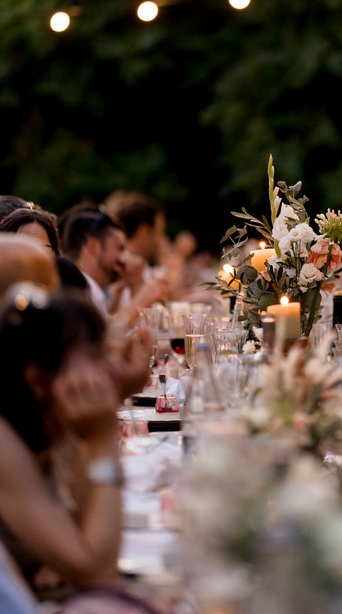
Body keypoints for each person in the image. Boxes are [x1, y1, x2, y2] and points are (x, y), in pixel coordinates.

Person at [0, 282, 169, 612]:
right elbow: (98, 572)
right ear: (37, 381)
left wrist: (112, 399)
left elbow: (86, 526)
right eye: (95, 356)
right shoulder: (4, 442)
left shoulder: (50, 422)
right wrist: (104, 440)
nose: (109, 366)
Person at [60, 205, 171, 328]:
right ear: (93, 246)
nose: (124, 258)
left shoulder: (93, 289)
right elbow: (102, 339)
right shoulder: (73, 286)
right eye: (120, 249)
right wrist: (142, 294)